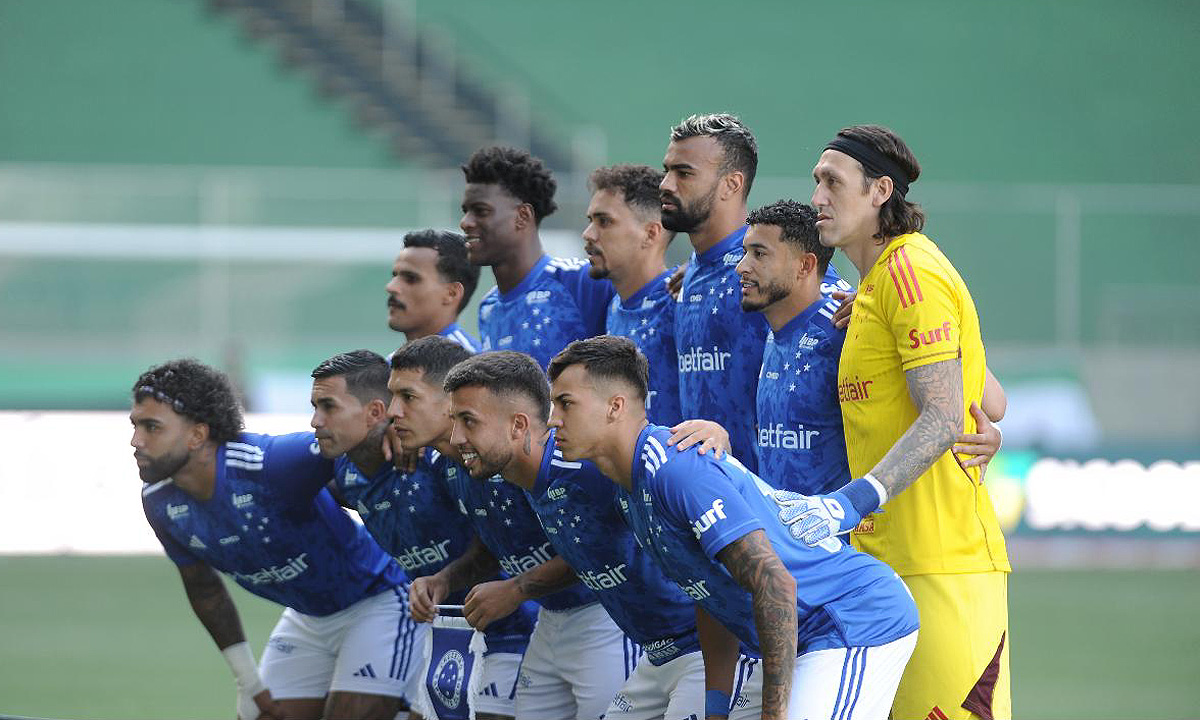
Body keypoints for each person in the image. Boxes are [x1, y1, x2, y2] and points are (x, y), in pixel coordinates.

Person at [545, 336, 919, 720]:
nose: (553, 418)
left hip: (850, 619)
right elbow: (712, 594)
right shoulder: (630, 488)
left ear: (614, 407)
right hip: (785, 638)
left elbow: (776, 584)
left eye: (565, 403)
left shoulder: (677, 472)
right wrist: (716, 709)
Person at [787, 124, 1012, 720]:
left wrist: (849, 502)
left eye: (833, 182)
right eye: (816, 181)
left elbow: (945, 416)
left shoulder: (912, 272)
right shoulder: (875, 286)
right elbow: (990, 402)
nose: (818, 197)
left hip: (942, 567)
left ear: (881, 191)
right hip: (887, 569)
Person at [132, 359, 415, 720]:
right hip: (307, 617)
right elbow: (204, 589)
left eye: (151, 427)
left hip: (378, 598)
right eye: (135, 425)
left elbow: (347, 438)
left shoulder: (269, 463)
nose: (136, 440)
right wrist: (248, 682)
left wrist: (390, 428)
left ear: (197, 435)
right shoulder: (158, 500)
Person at [441, 349, 711, 719]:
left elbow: (657, 457)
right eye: (453, 421)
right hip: (656, 654)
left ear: (519, 426)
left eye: (468, 422)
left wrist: (712, 438)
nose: (455, 438)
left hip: (698, 647)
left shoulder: (586, 466)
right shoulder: (511, 474)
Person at [312, 346, 534, 720]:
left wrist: (514, 588)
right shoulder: (348, 471)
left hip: (522, 627)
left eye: (407, 398)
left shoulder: (459, 459)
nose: (315, 420)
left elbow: (503, 541)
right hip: (450, 634)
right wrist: (441, 581)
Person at [661, 113, 851, 472]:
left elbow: (839, 312)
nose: (666, 184)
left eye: (684, 173)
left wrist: (977, 414)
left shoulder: (777, 268)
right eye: (667, 169)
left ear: (732, 184)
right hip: (709, 503)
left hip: (768, 511)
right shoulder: (693, 274)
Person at [459, 145, 614, 369]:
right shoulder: (488, 307)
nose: (466, 222)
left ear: (522, 216)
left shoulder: (579, 282)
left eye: (480, 211)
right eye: (465, 211)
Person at [583, 163, 682, 426]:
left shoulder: (680, 302)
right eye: (590, 221)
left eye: (604, 222)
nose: (589, 234)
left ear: (651, 234)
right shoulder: (614, 305)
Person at [386, 228, 482, 352]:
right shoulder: (390, 364)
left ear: (451, 293)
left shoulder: (473, 367)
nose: (391, 287)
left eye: (411, 278)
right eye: (395, 276)